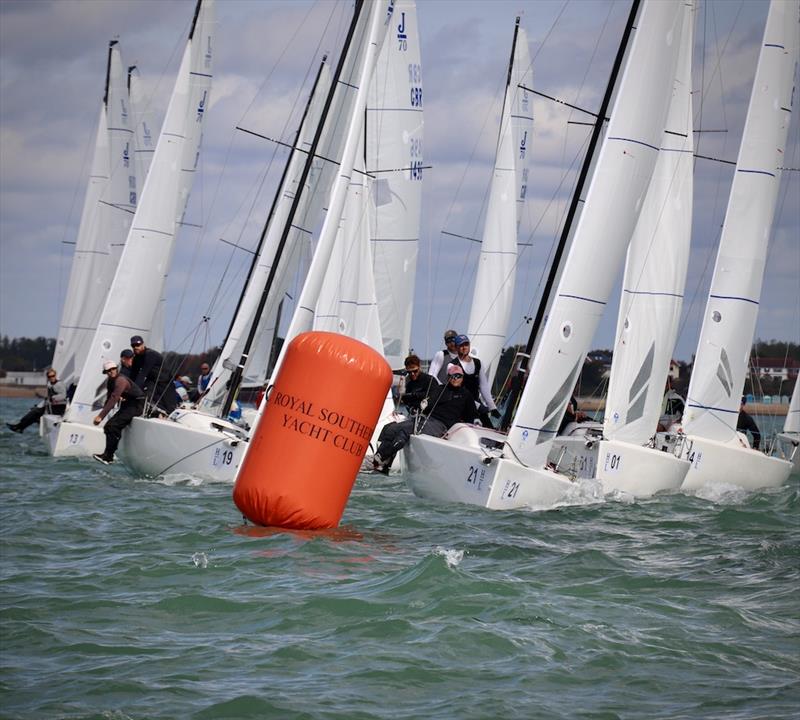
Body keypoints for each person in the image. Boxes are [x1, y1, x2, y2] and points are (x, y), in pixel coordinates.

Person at [372, 363, 478, 474]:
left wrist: (475, 422)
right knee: (391, 427)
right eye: (453, 376)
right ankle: (381, 460)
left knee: (404, 433)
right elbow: (428, 403)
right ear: (448, 377)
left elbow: (471, 415)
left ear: (462, 378)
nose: (455, 379)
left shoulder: (466, 395)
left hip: (441, 425)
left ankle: (383, 457)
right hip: (426, 419)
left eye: (458, 376)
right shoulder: (440, 389)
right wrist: (423, 404)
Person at [92, 360, 145, 464]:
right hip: (128, 405)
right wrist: (103, 412)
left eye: (113, 369)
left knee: (113, 426)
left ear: (116, 368)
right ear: (105, 372)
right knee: (108, 426)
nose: (111, 372)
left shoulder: (121, 380)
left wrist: (101, 416)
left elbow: (114, 398)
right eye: (108, 370)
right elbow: (109, 399)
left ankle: (108, 456)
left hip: (137, 405)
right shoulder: (110, 382)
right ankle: (107, 455)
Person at [451, 334, 501, 427]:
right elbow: (457, 390)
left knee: (489, 428)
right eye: (461, 345)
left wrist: (492, 407)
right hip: (461, 404)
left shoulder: (478, 363)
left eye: (466, 344)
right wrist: (478, 406)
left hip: (477, 403)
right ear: (456, 347)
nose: (464, 347)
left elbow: (484, 386)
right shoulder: (452, 365)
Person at [6, 368, 67, 433]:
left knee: (34, 413)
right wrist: (39, 405)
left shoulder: (59, 384)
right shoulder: (50, 384)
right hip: (50, 406)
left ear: (55, 375)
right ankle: (20, 427)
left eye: (53, 376)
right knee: (33, 412)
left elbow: (63, 395)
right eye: (50, 376)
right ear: (47, 377)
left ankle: (20, 427)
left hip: (58, 408)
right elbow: (48, 398)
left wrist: (53, 398)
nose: (52, 378)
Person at [129, 335, 176, 415]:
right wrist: (127, 390)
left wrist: (132, 390)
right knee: (147, 397)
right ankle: (149, 413)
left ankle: (167, 415)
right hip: (152, 380)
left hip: (165, 381)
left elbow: (143, 373)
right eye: (133, 346)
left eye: (138, 345)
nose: (136, 347)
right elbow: (133, 375)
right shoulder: (136, 358)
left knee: (170, 406)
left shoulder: (150, 355)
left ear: (143, 344)